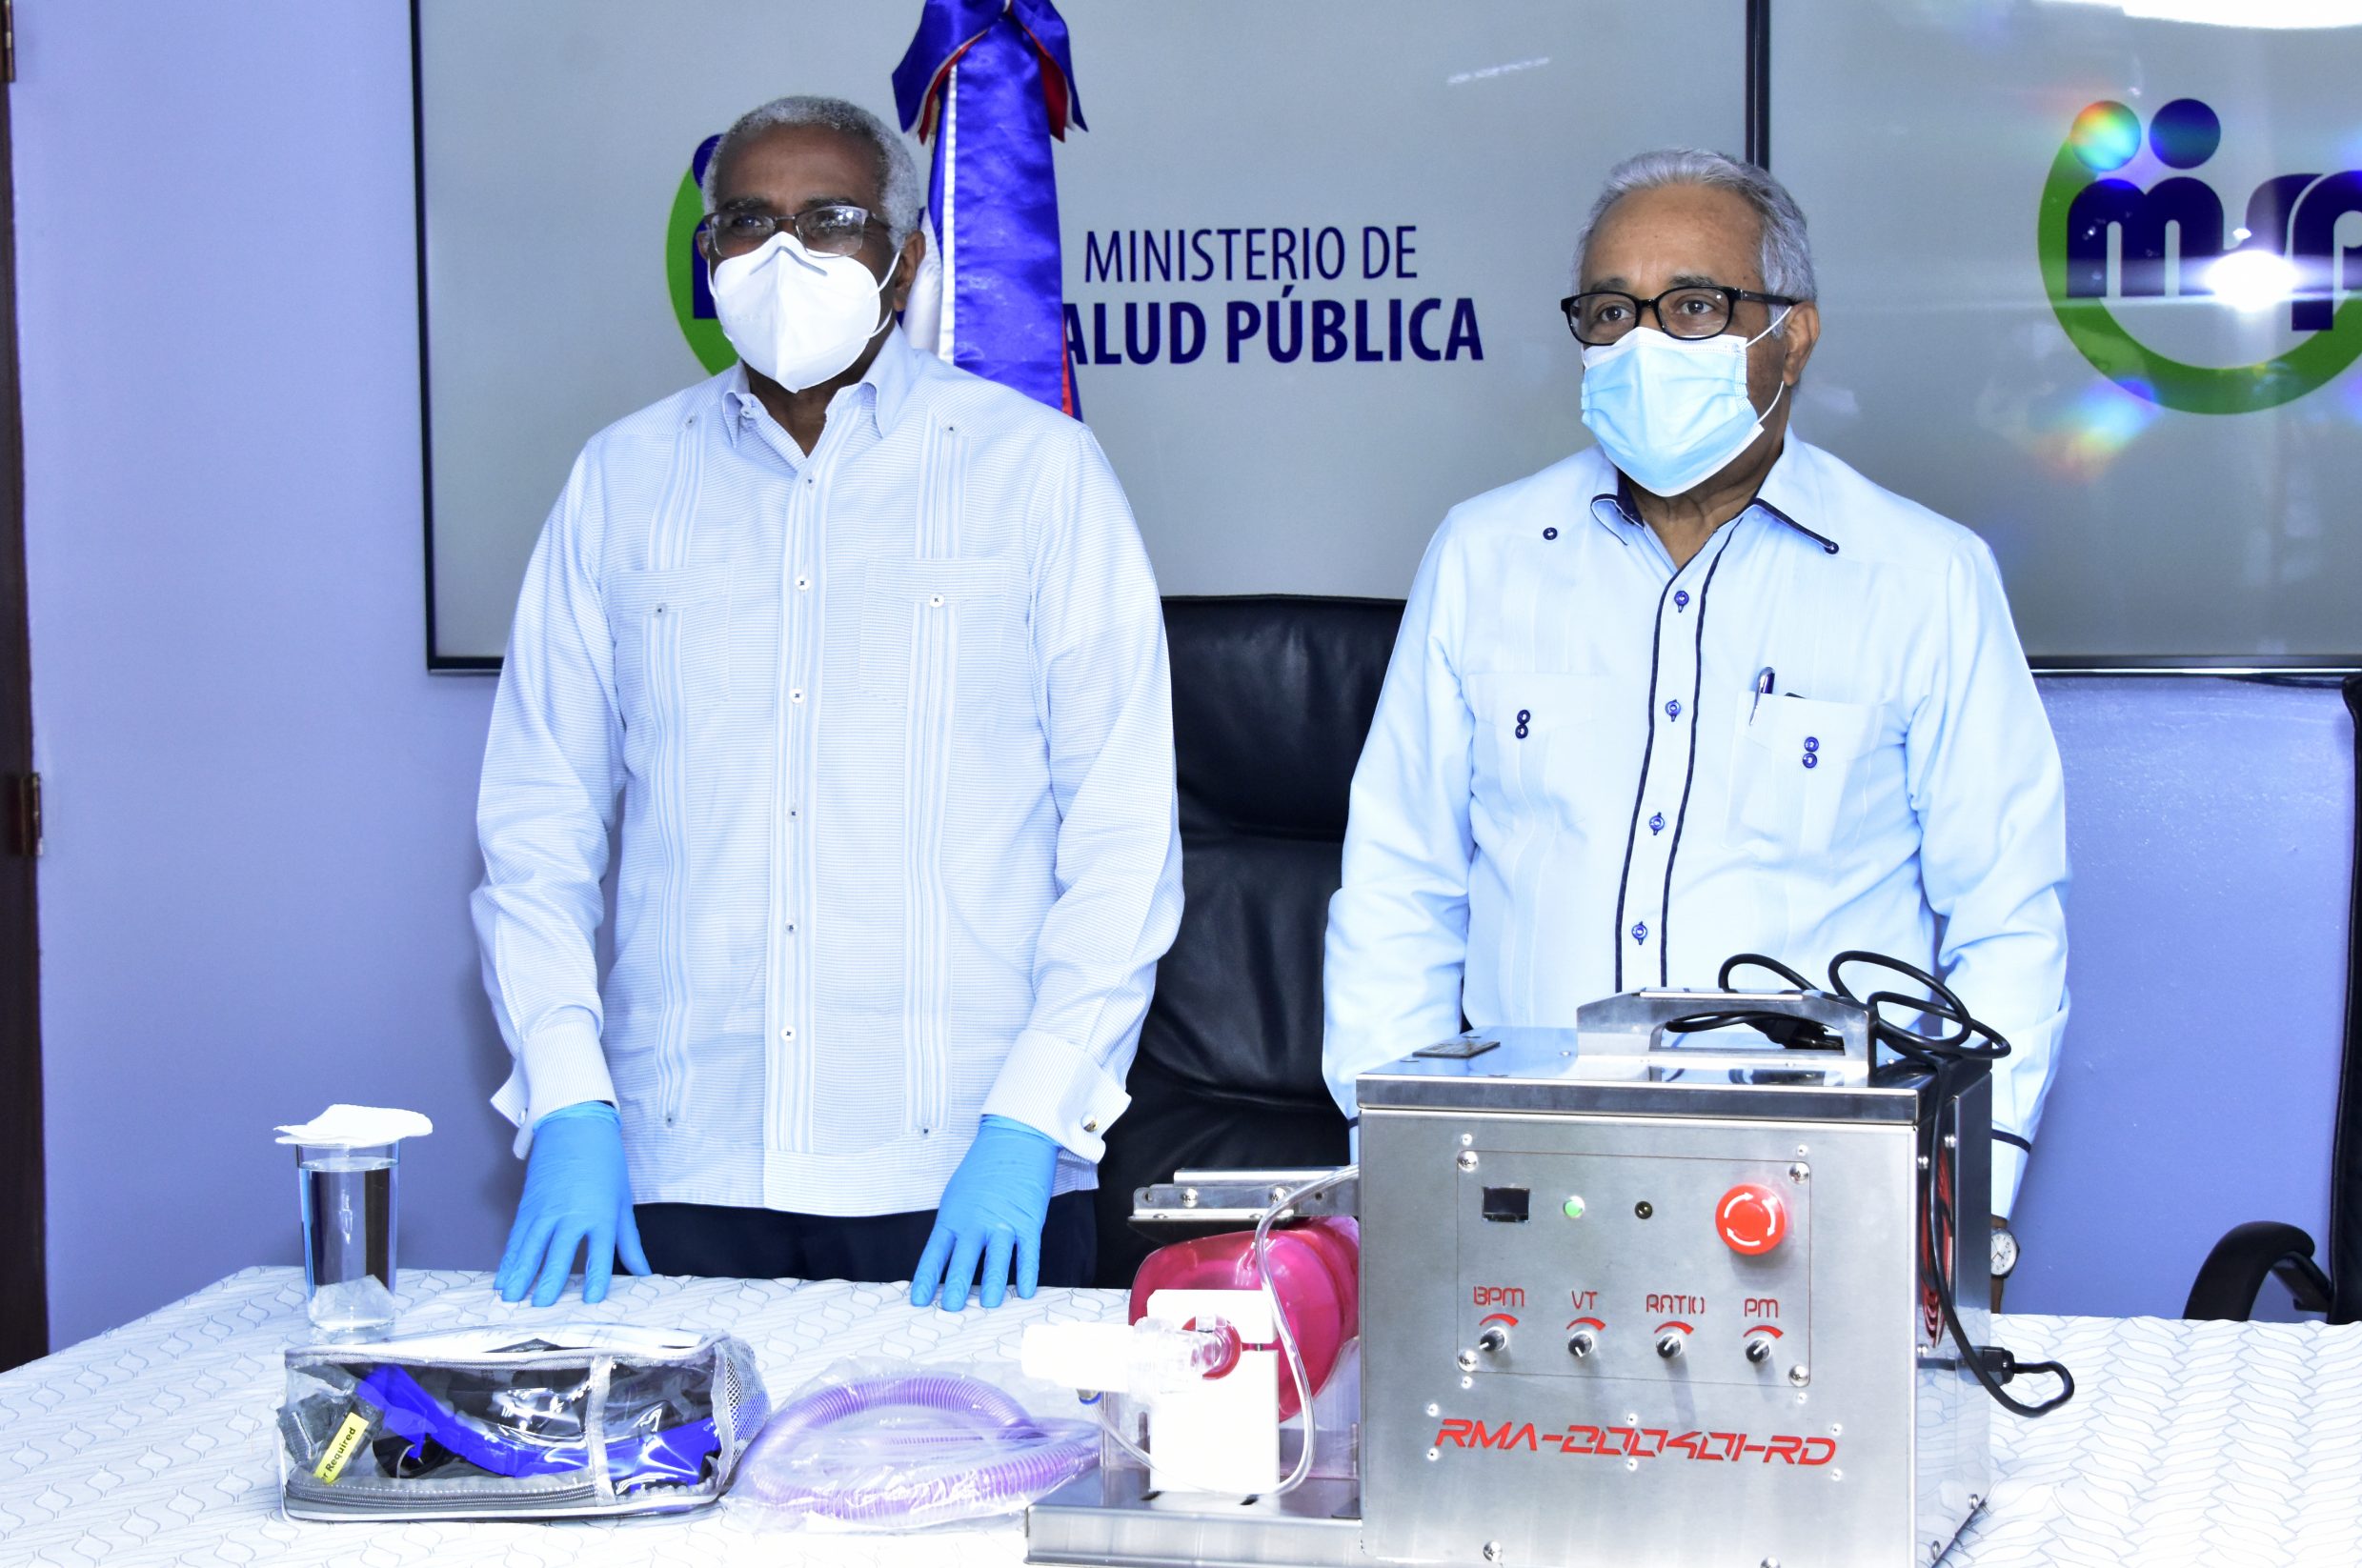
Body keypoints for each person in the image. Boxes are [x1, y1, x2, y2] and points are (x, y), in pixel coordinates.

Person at [473, 95, 1181, 1312]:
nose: (785, 253)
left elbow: (1123, 843)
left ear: (904, 262)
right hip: (677, 1163)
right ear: (709, 258)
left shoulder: (1037, 473)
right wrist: (569, 1097)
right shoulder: (619, 481)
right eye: (749, 220)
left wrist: (1032, 1120)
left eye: (831, 220)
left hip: (962, 1168)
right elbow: (535, 832)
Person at [1321, 149, 2067, 1302]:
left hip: (1819, 1197)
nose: (1642, 345)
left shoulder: (1923, 578)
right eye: (1610, 311)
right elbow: (1398, 888)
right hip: (1515, 1181)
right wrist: (1394, 1166)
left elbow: (2006, 921)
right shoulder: (1483, 556)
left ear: (1792, 335)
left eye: (1694, 307)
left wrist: (1960, 1193)